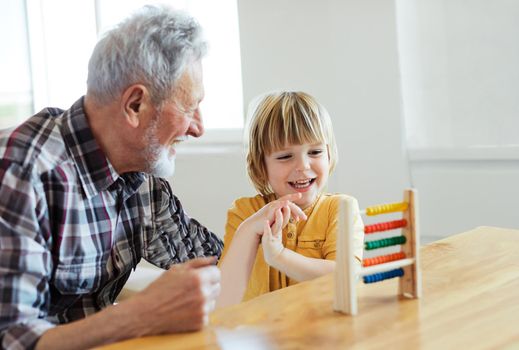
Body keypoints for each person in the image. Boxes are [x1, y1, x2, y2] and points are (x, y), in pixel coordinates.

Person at [0, 5, 254, 350]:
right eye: (189, 106)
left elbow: (211, 262)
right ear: (135, 105)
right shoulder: (23, 172)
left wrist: (265, 226)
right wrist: (141, 314)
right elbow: (13, 340)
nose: (198, 127)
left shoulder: (143, 176)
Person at [217, 91, 364, 307]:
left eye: (315, 152)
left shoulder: (340, 209)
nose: (304, 166)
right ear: (260, 166)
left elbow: (346, 275)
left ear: (329, 155)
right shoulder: (244, 212)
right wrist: (249, 231)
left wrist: (279, 257)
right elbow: (221, 301)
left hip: (321, 333)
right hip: (257, 335)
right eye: (285, 156)